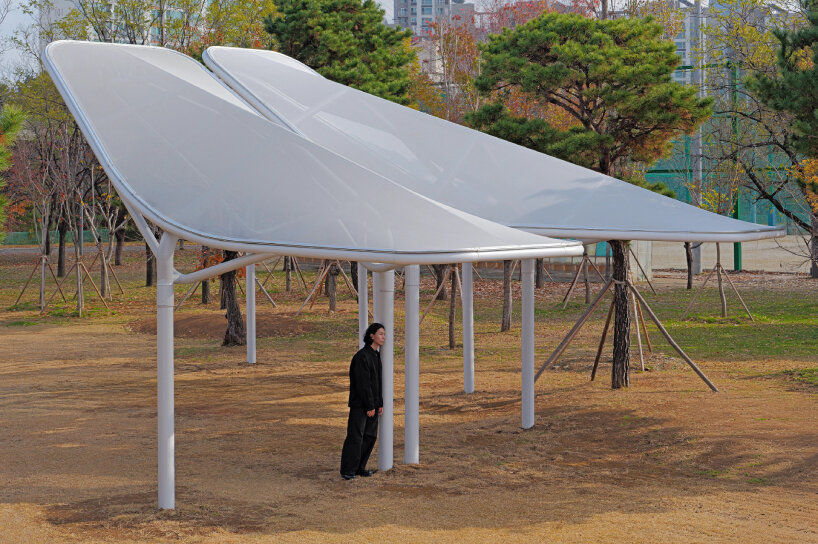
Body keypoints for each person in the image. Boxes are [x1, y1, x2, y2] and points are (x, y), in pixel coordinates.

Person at [340, 322, 385, 480]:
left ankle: (360, 468)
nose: (383, 337)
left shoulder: (376, 355)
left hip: (373, 405)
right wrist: (369, 405)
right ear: (371, 335)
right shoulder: (361, 357)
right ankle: (348, 470)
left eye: (384, 334)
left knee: (370, 436)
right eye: (380, 334)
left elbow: (377, 383)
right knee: (355, 437)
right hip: (361, 405)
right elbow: (363, 384)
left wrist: (380, 404)